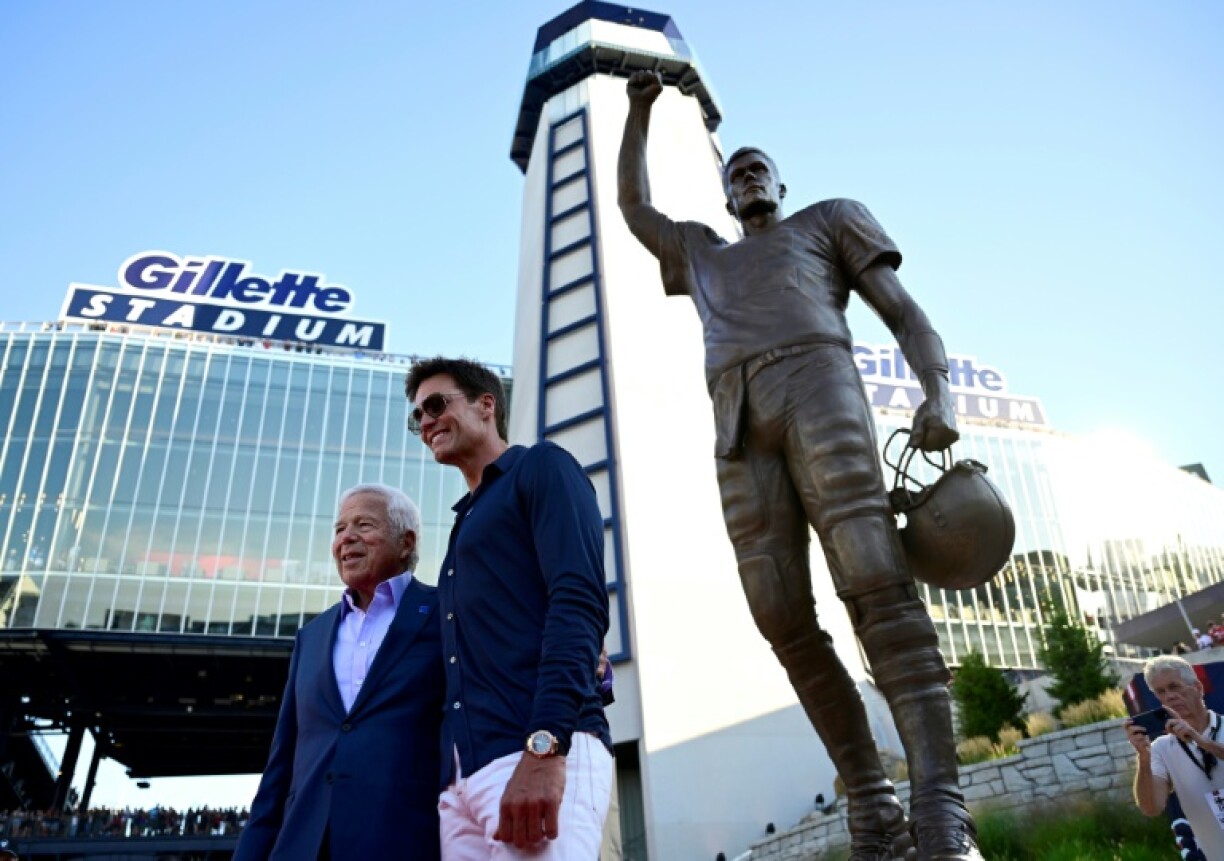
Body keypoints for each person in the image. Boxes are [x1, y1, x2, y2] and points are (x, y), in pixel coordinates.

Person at [617, 69, 979, 860]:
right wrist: (638, 112)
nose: (746, 176)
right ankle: (872, 807)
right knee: (779, 614)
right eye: (733, 172)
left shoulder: (827, 222)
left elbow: (906, 314)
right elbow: (633, 208)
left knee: (878, 588)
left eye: (757, 167)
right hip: (738, 422)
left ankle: (942, 806)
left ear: (781, 182)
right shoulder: (700, 251)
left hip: (821, 390)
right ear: (723, 196)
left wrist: (937, 391)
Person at [405, 357, 613, 859]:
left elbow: (578, 601)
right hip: (464, 779)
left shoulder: (540, 467)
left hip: (534, 749)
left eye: (436, 404)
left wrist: (545, 747)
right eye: (417, 417)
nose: (426, 421)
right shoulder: (464, 522)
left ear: (485, 404)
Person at [234, 484, 444, 861]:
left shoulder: (446, 613)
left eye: (363, 525)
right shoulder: (310, 637)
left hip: (406, 841)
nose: (346, 538)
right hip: (302, 846)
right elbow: (281, 765)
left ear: (406, 542)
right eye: (339, 529)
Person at [1125, 655, 1224, 860]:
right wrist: (1143, 758)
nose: (1169, 696)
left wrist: (1201, 741)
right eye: (1161, 692)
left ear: (1197, 687)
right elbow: (1151, 808)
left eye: (1174, 687)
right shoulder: (1162, 748)